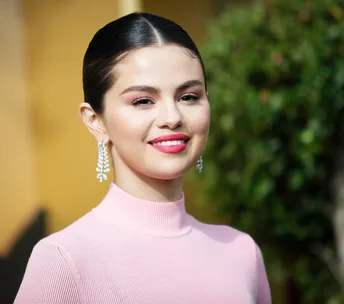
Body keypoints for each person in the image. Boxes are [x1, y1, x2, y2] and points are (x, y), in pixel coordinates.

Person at [14, 12, 272, 304]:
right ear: (95, 120)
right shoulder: (64, 261)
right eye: (143, 101)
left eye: (188, 96)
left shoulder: (241, 252)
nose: (172, 118)